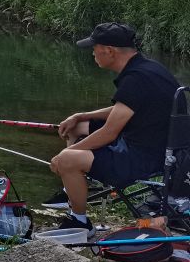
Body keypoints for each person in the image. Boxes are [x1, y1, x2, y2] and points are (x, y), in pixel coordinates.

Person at [47, 22, 181, 236]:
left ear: (109, 51)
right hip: (160, 149)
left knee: (66, 160)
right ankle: (70, 189)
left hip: (140, 159)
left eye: (94, 48)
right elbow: (125, 108)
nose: (93, 53)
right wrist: (82, 116)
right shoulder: (148, 68)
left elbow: (109, 132)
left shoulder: (136, 79)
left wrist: (66, 154)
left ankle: (81, 223)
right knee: (77, 126)